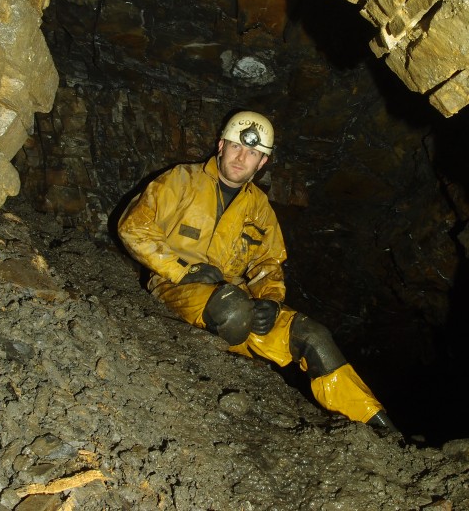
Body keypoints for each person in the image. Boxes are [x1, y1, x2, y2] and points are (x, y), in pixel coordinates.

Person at [117, 110, 398, 434]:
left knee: (314, 337)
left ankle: (380, 428)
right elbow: (133, 227)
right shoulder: (181, 180)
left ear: (262, 162)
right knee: (234, 310)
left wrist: (271, 302)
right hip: (175, 288)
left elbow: (268, 264)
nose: (242, 157)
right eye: (236, 147)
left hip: (235, 301)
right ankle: (209, 363)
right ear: (221, 145)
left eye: (253, 153)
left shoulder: (260, 208)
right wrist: (181, 270)